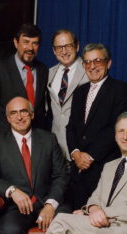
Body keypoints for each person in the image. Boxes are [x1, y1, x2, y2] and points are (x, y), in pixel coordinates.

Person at [47, 112, 127, 234]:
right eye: (121, 131)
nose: (125, 136)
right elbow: (94, 199)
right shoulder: (109, 166)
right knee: (64, 220)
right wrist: (91, 209)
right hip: (105, 227)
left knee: (61, 222)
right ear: (115, 136)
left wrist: (97, 213)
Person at [0, 96, 70, 233]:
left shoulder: (48, 139)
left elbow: (61, 175)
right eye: (13, 113)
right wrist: (12, 190)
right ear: (8, 118)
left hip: (47, 202)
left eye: (24, 111)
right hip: (16, 208)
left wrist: (50, 205)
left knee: (67, 223)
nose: (19, 117)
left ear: (32, 115)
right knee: (7, 230)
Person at [66, 43, 127, 209]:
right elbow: (71, 127)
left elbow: (117, 128)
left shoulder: (120, 89)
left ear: (108, 63)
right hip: (78, 168)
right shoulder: (79, 92)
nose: (92, 66)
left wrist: (89, 157)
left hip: (104, 166)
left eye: (97, 61)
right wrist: (75, 154)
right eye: (87, 62)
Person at [0, 23, 49, 155]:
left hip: (35, 145)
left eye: (35, 43)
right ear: (16, 43)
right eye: (26, 42)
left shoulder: (43, 70)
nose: (30, 48)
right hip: (5, 146)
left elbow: (41, 111)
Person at [48, 29, 89, 161]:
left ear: (77, 46)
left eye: (68, 46)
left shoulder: (89, 71)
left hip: (81, 148)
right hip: (55, 148)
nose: (64, 51)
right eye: (59, 47)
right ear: (54, 50)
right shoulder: (48, 74)